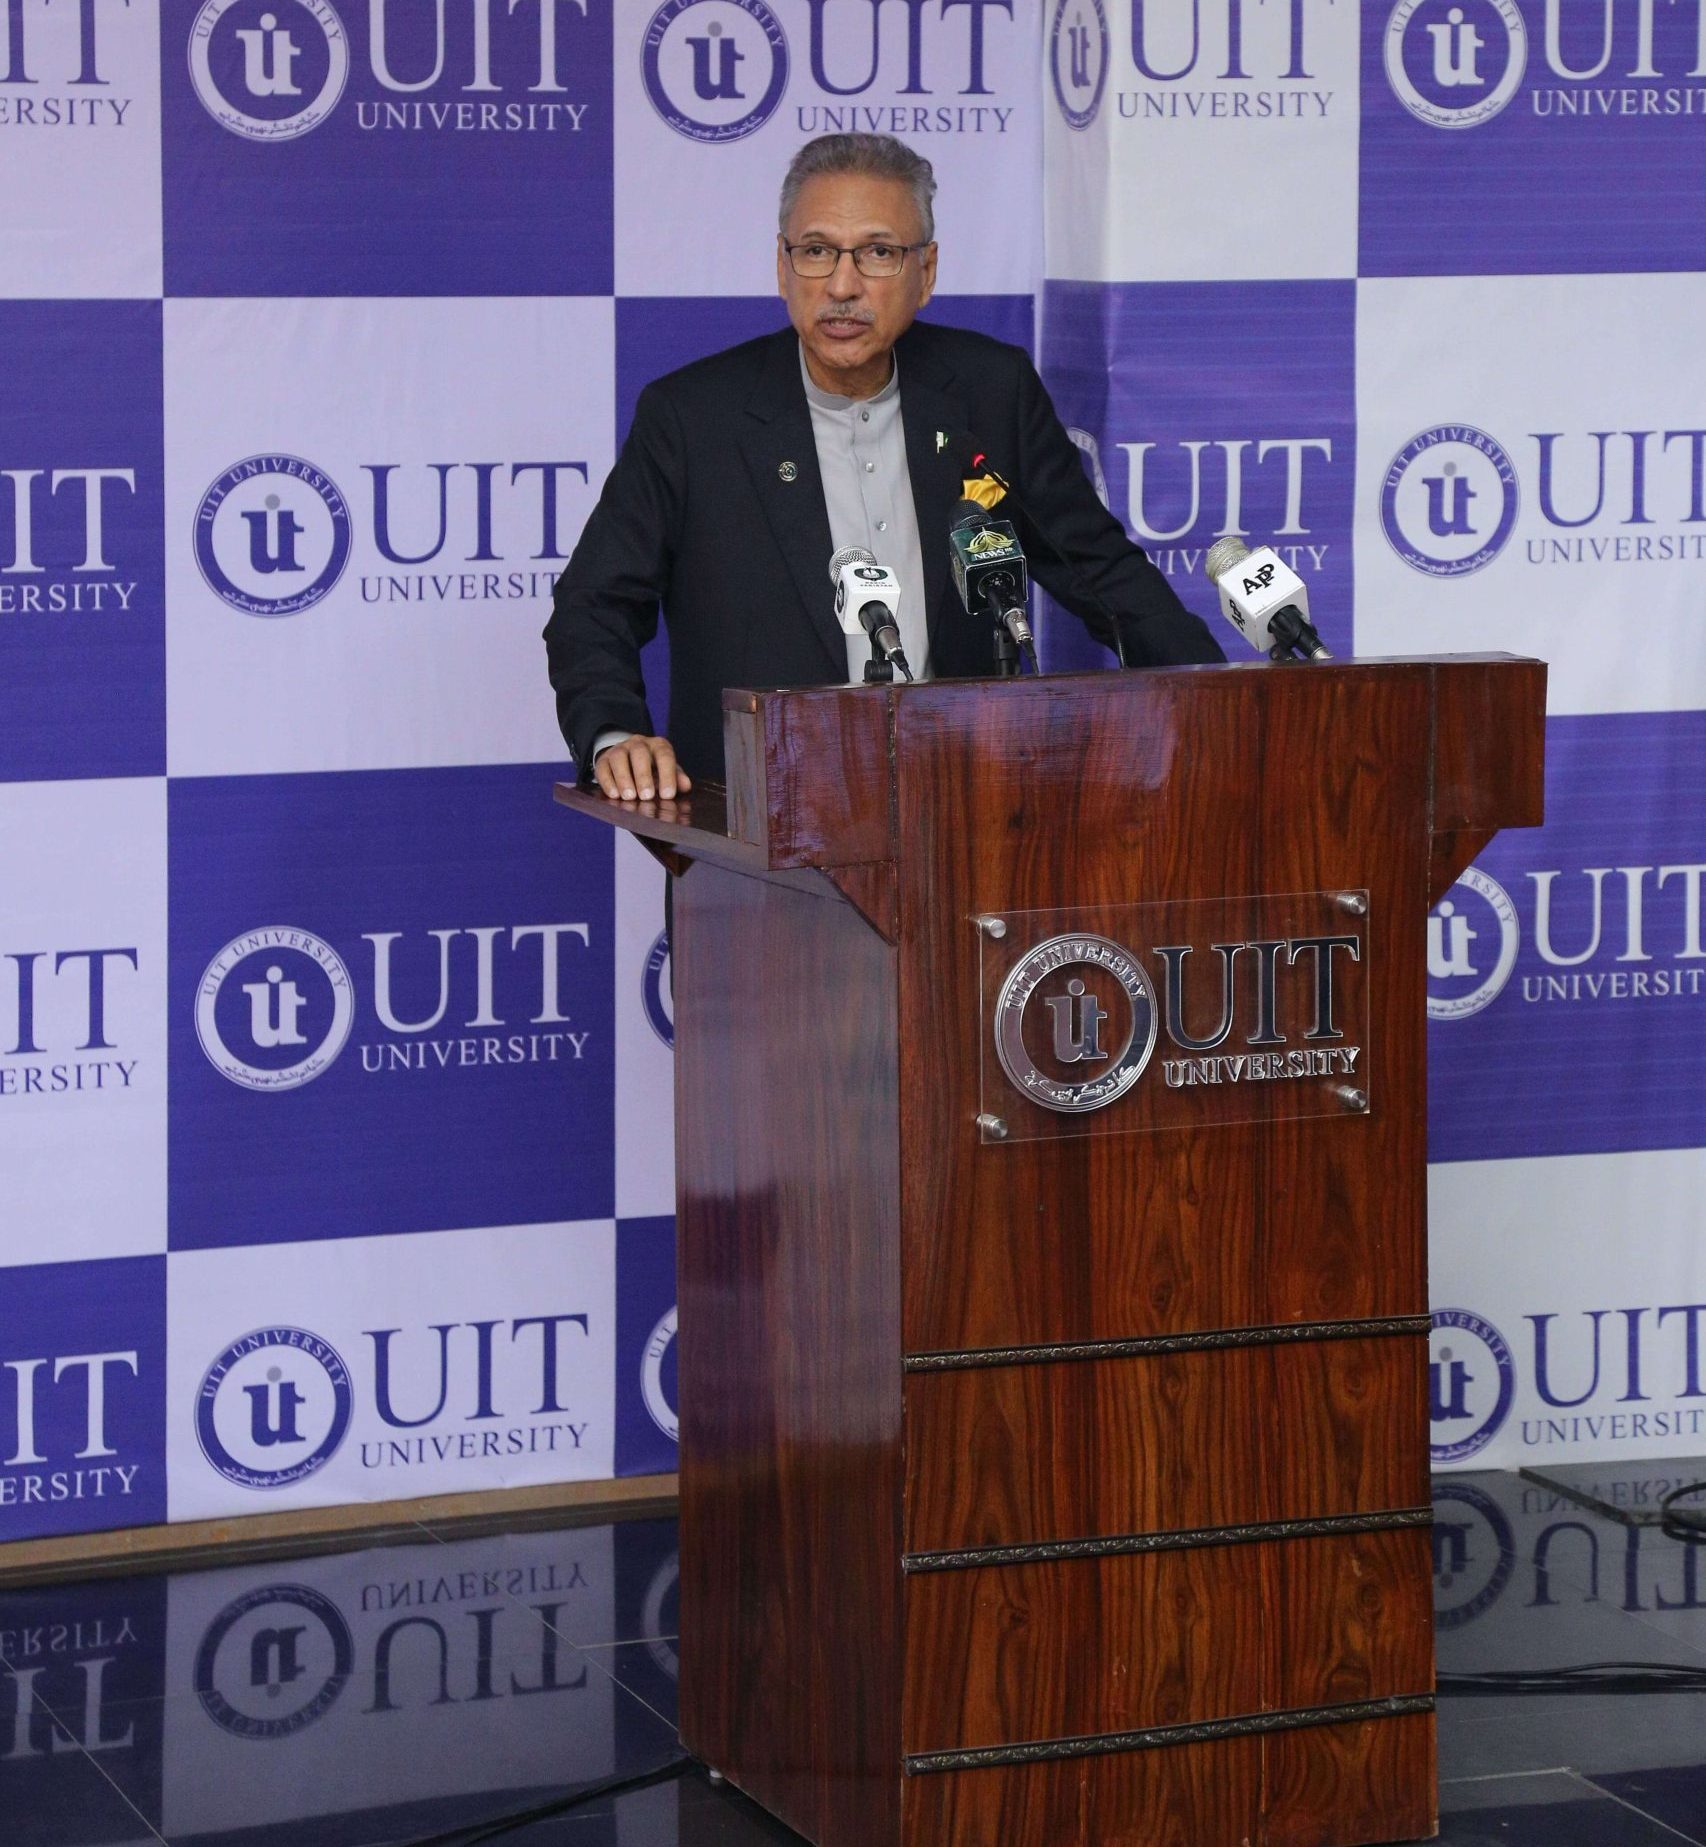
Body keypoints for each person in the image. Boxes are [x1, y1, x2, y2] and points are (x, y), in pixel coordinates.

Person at [545, 133, 1223, 804]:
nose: (842, 286)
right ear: (782, 268)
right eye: (816, 252)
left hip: (961, 804)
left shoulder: (990, 392)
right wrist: (614, 734)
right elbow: (594, 604)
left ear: (926, 272)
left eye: (878, 253)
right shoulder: (693, 419)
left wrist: (1224, 699)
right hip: (757, 819)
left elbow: (1102, 574)